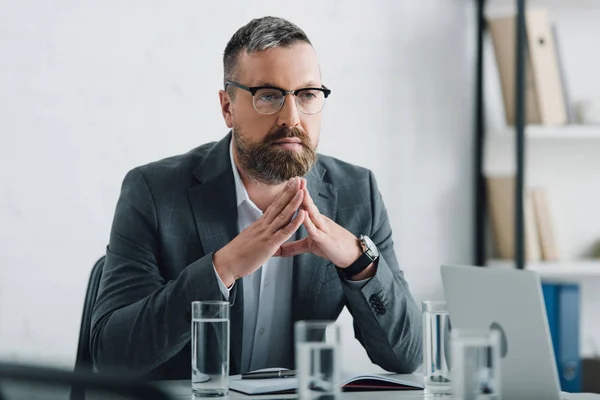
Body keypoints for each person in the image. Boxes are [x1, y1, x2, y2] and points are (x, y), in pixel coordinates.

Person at [91, 16, 422, 380]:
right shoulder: (153, 192)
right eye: (269, 96)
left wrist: (360, 262)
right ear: (227, 108)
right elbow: (111, 355)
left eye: (308, 94)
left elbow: (406, 356)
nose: (291, 117)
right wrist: (222, 269)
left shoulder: (358, 193)